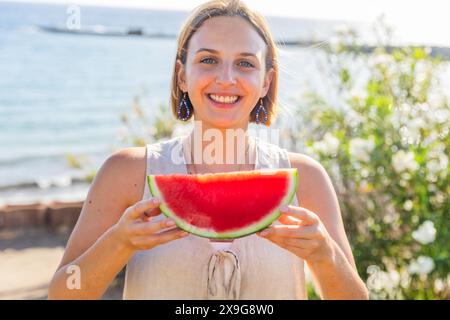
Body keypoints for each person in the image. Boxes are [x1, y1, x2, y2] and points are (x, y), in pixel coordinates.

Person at [48, 0, 368, 300]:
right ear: (182, 75)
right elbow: (63, 293)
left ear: (266, 82)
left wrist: (325, 255)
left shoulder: (307, 178)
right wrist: (119, 241)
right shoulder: (127, 172)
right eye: (208, 60)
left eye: (245, 63)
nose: (226, 78)